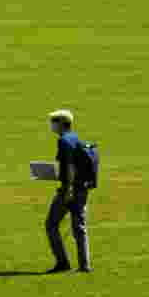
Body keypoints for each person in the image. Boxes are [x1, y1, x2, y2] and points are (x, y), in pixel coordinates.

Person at [45, 109, 92, 273]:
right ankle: (85, 265)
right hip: (82, 189)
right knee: (79, 227)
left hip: (69, 190)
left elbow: (70, 166)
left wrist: (67, 189)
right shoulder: (75, 138)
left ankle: (62, 263)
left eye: (53, 122)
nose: (51, 125)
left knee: (51, 224)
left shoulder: (64, 141)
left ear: (60, 123)